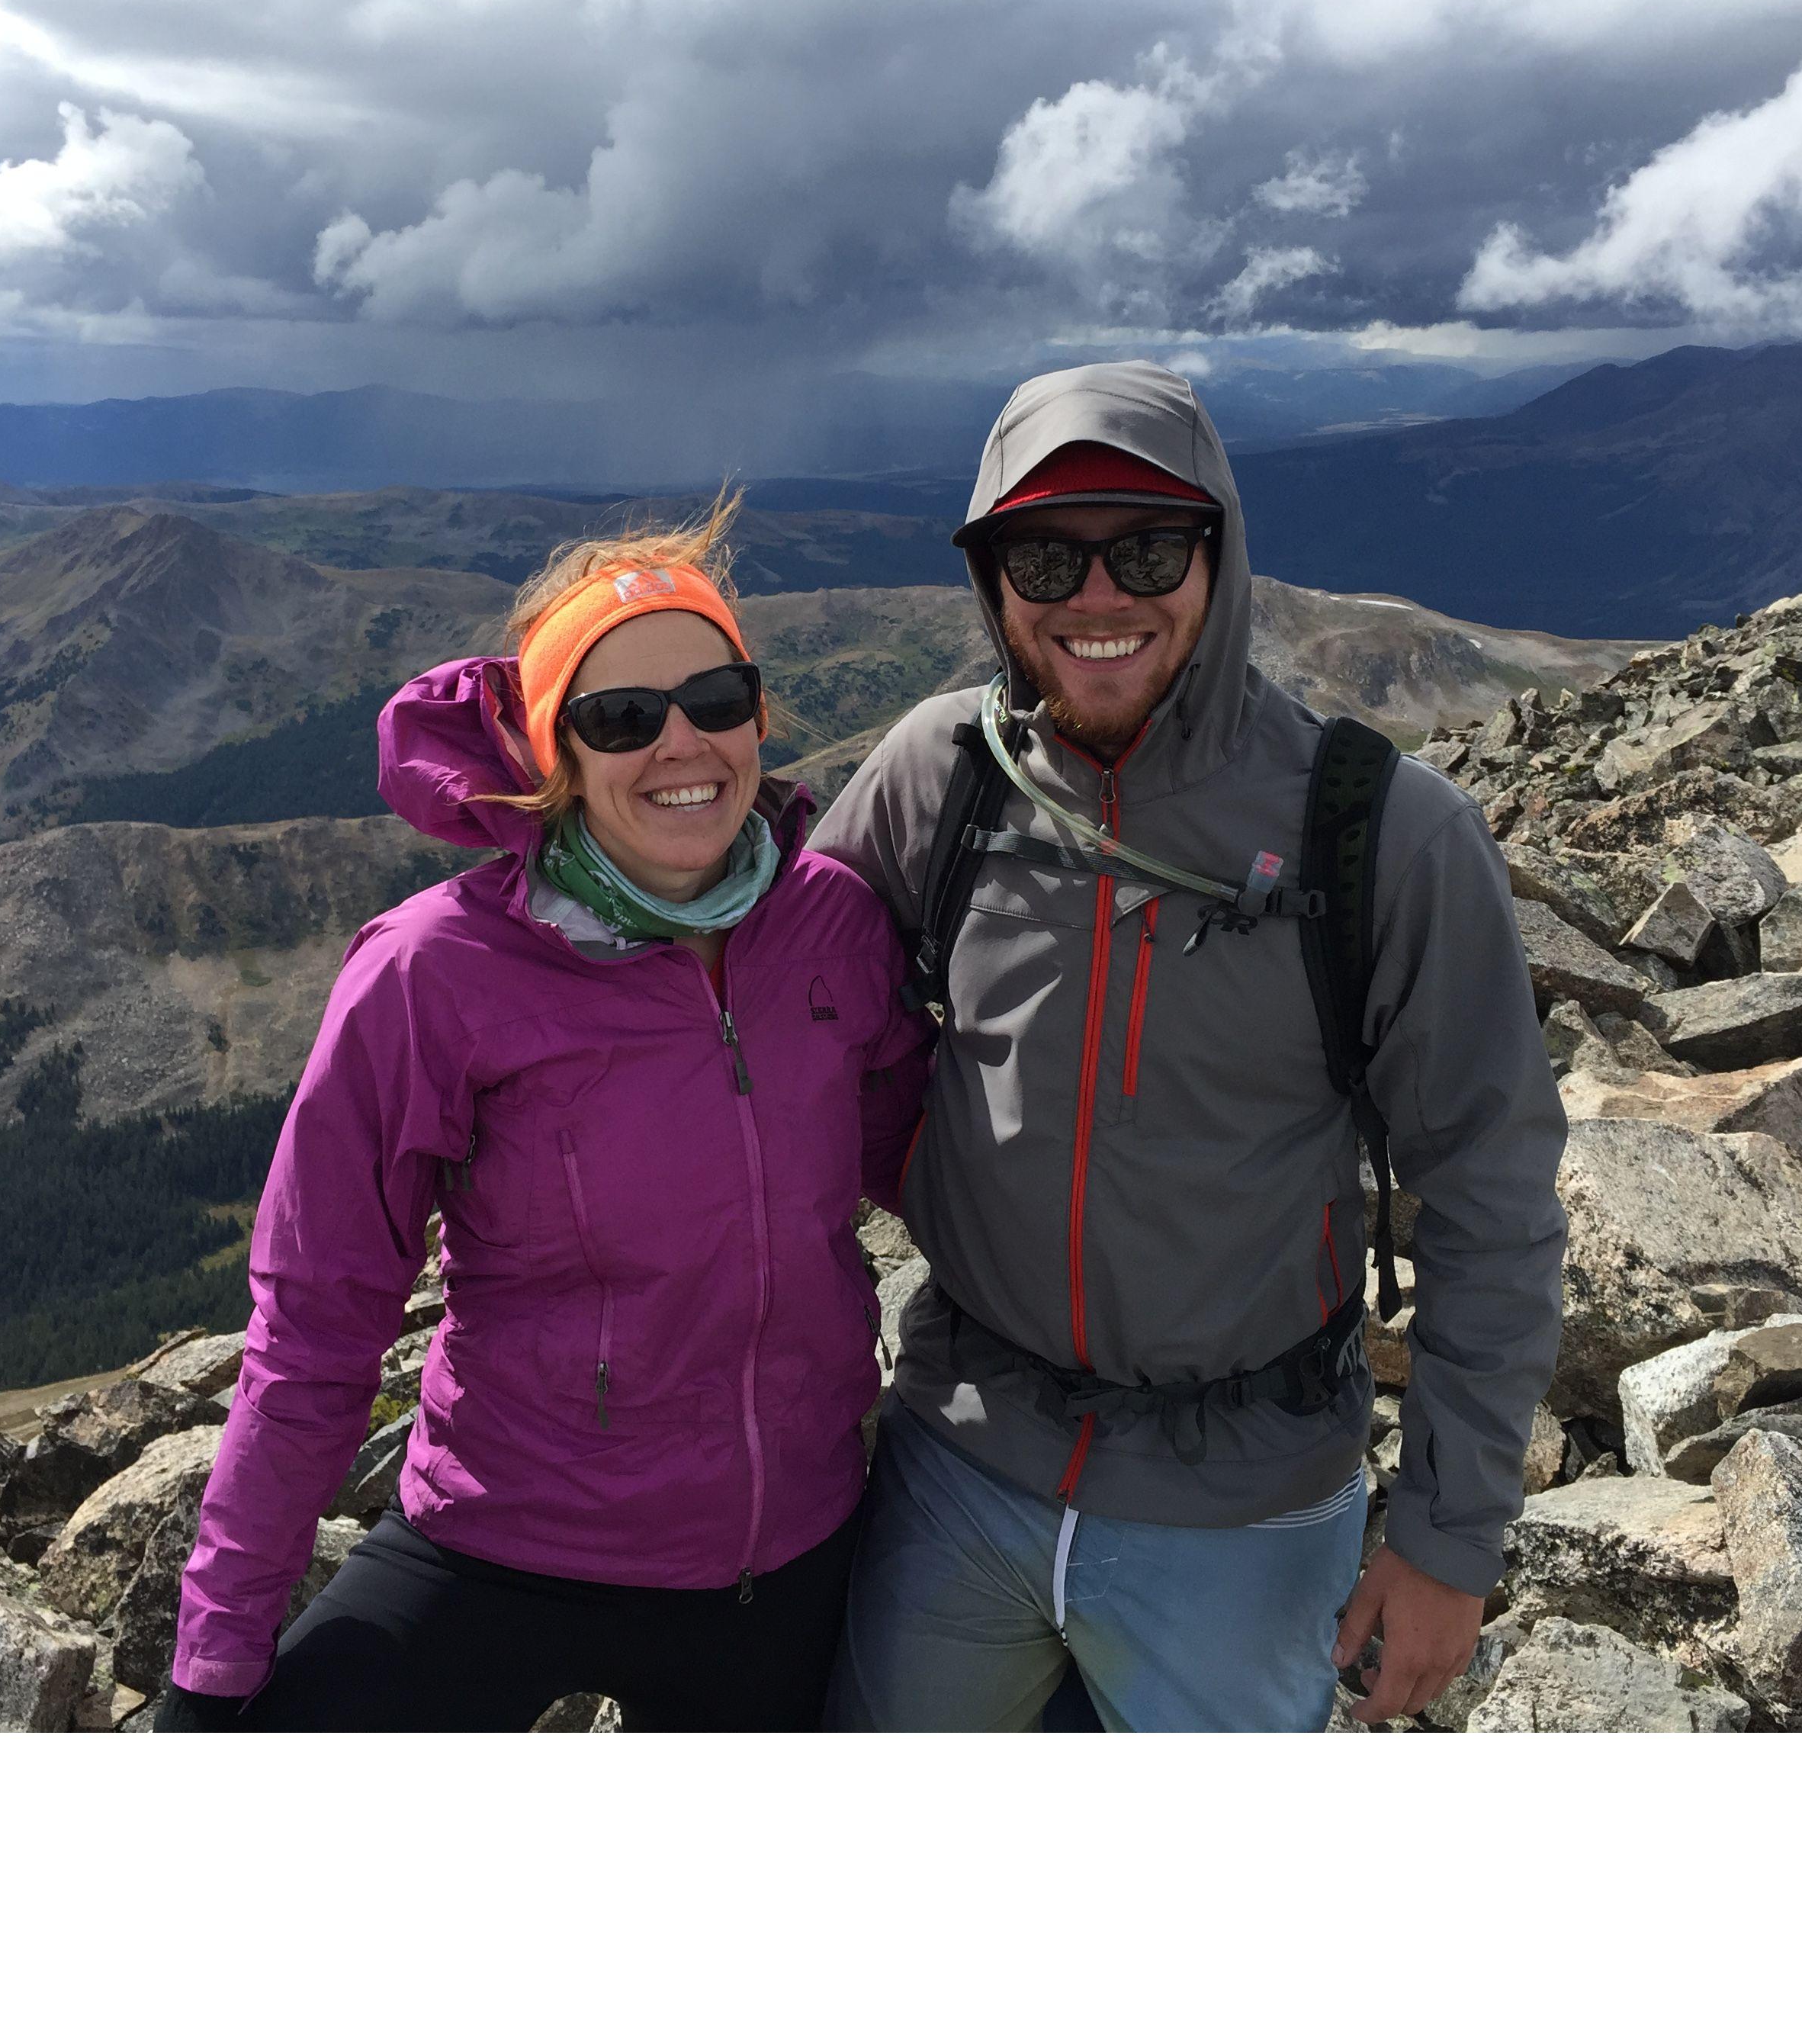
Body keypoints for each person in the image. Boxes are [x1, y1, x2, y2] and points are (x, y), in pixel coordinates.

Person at [810, 360, 1567, 1731]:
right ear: (992, 580)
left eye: (1149, 548)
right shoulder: (942, 776)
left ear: (1219, 555)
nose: (1097, 599)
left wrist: (1452, 1541)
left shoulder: (1384, 833)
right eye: (1043, 557)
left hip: (1249, 1508)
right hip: (957, 1459)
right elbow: (771, 1013)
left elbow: (1491, 1192)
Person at [159, 500, 930, 1730]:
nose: (682, 743)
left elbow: (925, 1162)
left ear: (758, 713)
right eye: (621, 718)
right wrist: (214, 1661)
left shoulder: (832, 920)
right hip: (509, 1535)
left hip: (788, 1552)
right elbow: (314, 1324)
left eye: (717, 699)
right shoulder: (433, 974)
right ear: (552, 752)